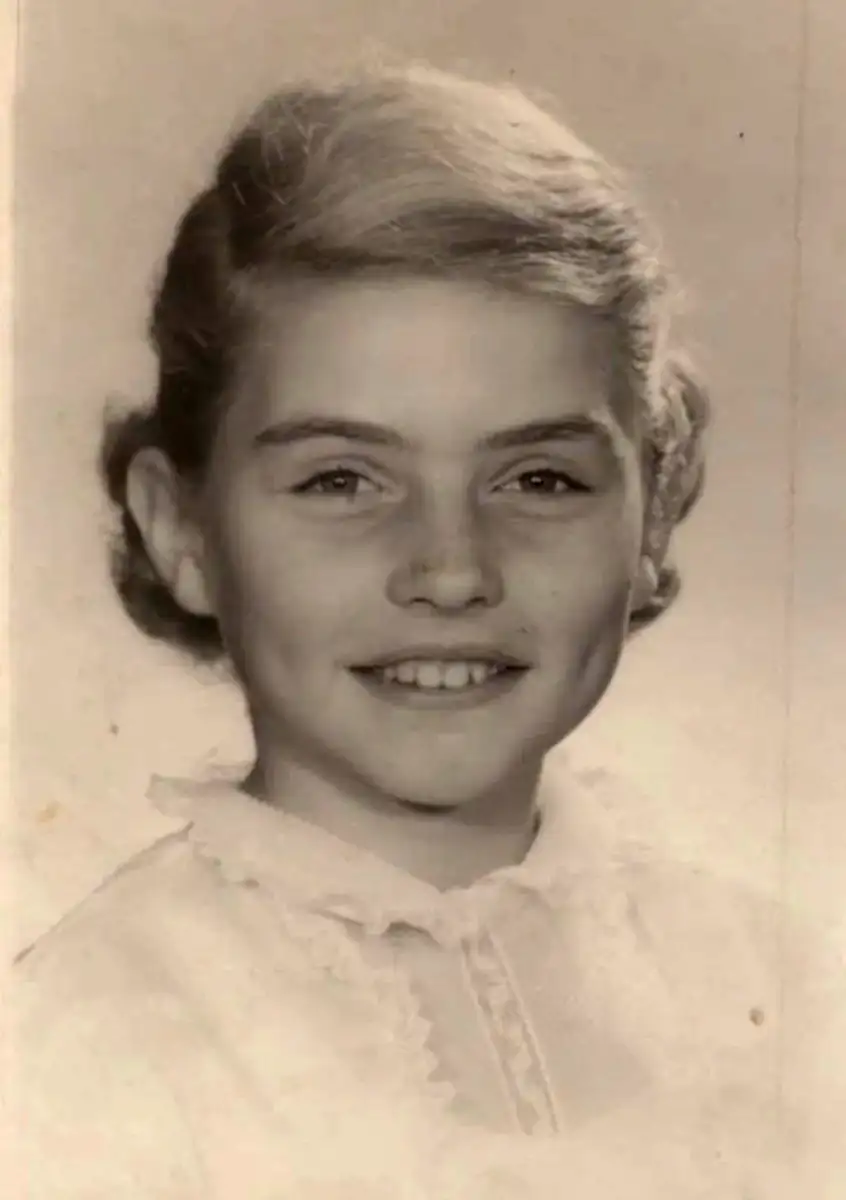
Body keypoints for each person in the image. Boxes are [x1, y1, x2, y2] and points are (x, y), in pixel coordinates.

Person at [9, 60, 818, 1198]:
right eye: (343, 480)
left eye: (538, 479)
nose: (450, 570)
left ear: (654, 509)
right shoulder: (84, 1045)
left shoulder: (788, 992)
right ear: (182, 530)